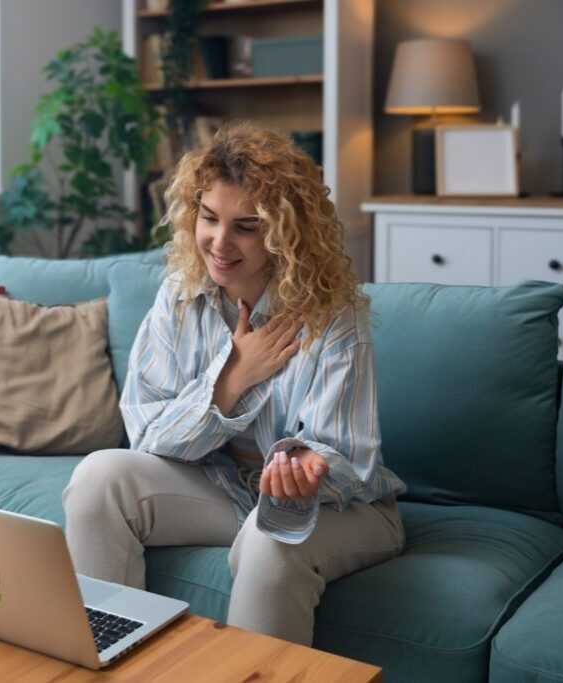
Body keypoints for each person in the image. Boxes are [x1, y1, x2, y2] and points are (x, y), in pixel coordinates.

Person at [62, 121, 407, 647]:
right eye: (209, 218)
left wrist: (306, 467)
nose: (220, 243)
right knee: (98, 478)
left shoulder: (333, 316)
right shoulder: (179, 294)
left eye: (246, 226)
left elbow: (349, 462)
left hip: (339, 509)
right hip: (220, 486)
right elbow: (148, 434)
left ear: (286, 230)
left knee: (272, 539)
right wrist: (231, 380)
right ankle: (104, 657)